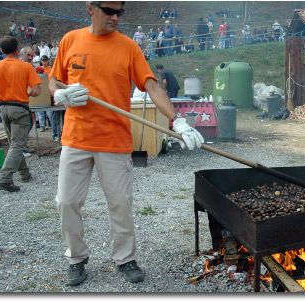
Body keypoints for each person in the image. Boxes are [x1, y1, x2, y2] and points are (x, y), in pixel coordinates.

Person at [48, 1, 203, 286]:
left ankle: (125, 258)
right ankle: (76, 258)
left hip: (114, 139)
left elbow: (151, 86)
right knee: (67, 202)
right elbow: (54, 81)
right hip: (76, 137)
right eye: (109, 10)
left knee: (120, 203)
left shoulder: (128, 47)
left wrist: (176, 120)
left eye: (120, 12)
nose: (115, 17)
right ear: (91, 8)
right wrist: (60, 95)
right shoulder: (71, 40)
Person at [0, 35, 42, 192]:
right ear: (17, 49)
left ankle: (25, 175)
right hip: (20, 108)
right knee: (17, 145)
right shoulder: (26, 67)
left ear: (1, 50)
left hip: (3, 108)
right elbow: (36, 91)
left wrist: (3, 95)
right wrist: (25, 93)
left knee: (14, 144)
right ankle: (4, 179)